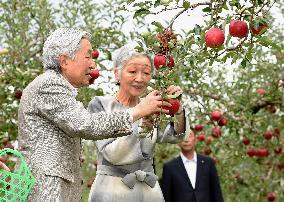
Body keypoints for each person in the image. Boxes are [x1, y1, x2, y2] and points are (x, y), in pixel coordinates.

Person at [17, 28, 169, 202]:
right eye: (88, 56)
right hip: (47, 189)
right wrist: (139, 111)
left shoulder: (57, 88)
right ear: (65, 61)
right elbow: (84, 124)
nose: (93, 65)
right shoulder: (49, 85)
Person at [87, 44, 187, 202]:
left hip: (148, 192)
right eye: (132, 71)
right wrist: (143, 117)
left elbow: (176, 137)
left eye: (146, 72)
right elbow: (112, 154)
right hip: (111, 191)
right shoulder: (100, 105)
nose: (140, 78)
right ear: (117, 74)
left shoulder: (152, 104)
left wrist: (178, 109)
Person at [161, 130, 224, 202]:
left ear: (195, 139)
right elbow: (166, 197)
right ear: (178, 142)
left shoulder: (208, 163)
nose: (186, 140)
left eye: (189, 136)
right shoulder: (169, 167)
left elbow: (217, 193)